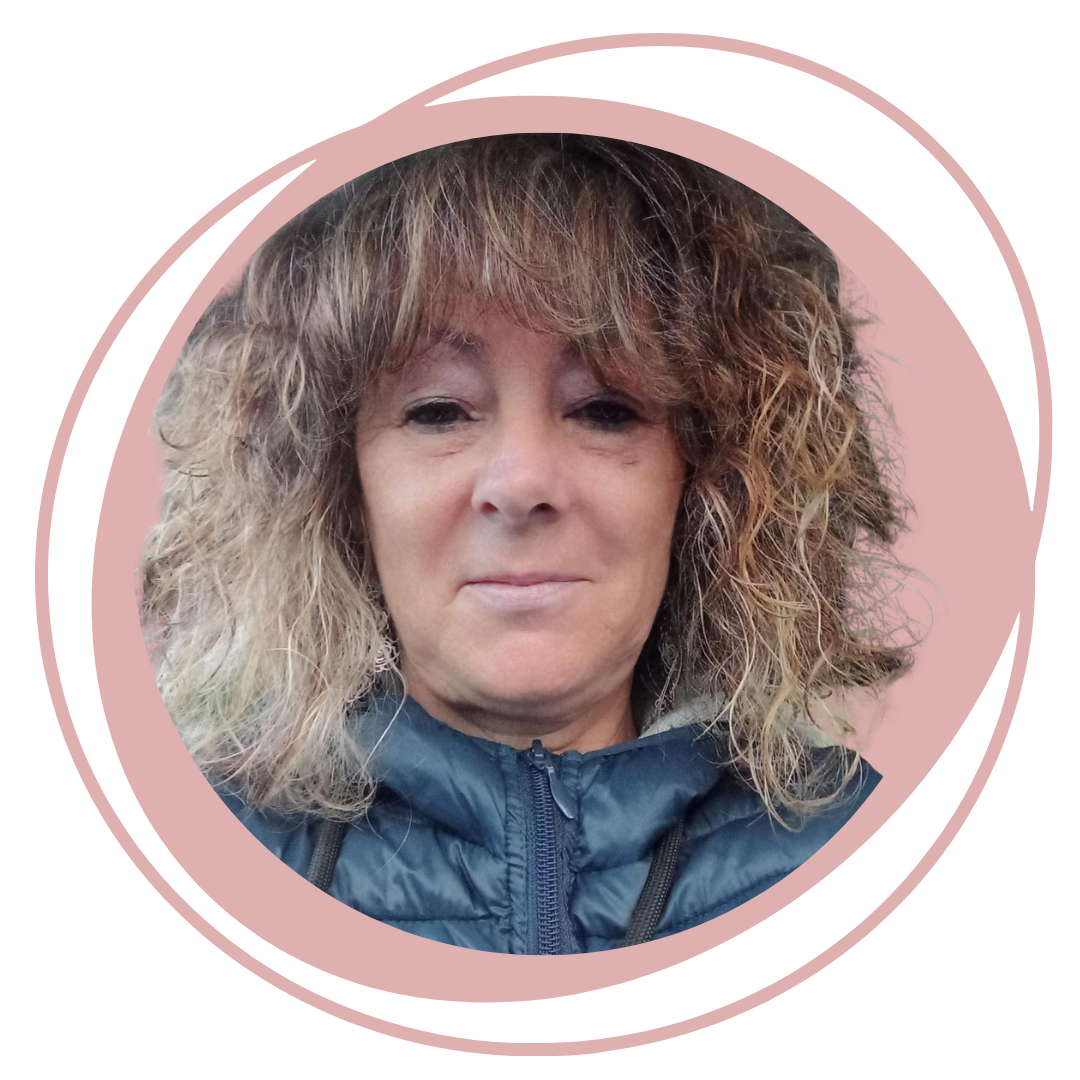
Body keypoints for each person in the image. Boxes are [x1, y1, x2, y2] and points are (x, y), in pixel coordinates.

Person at [141, 134, 915, 954]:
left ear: (704, 483)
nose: (520, 482)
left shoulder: (856, 844)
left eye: (606, 409)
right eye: (438, 411)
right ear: (340, 486)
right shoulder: (195, 853)